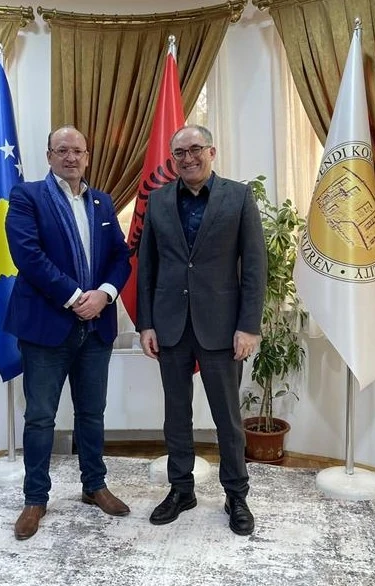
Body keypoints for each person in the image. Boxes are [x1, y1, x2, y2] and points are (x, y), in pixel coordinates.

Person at [136, 124, 267, 536]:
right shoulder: (158, 201)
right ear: (172, 159)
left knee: (227, 418)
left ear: (211, 151)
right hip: (170, 326)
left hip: (222, 328)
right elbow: (147, 267)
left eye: (195, 149)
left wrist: (249, 326)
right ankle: (181, 490)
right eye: (179, 152)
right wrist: (146, 323)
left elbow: (255, 266)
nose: (188, 158)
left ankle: (236, 495)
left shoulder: (238, 196)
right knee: (176, 415)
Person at [4, 125, 132, 540]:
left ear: (87, 157)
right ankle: (35, 499)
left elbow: (120, 256)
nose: (71, 157)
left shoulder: (102, 201)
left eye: (78, 150)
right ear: (49, 156)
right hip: (46, 328)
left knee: (92, 413)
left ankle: (94, 486)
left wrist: (105, 294)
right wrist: (77, 297)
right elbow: (28, 255)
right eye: (62, 150)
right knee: (40, 417)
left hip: (96, 327)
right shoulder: (27, 196)